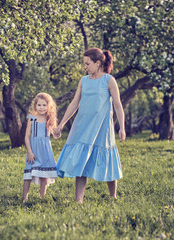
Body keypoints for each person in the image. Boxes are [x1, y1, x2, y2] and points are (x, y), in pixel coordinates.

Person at [53, 48, 126, 203]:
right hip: (83, 126)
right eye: (84, 64)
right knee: (81, 161)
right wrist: (61, 124)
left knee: (107, 159)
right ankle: (78, 200)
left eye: (87, 63)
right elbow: (74, 104)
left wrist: (122, 127)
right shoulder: (83, 81)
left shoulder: (109, 80)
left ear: (98, 63)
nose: (85, 67)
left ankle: (113, 197)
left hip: (102, 127)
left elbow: (118, 105)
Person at [23, 92, 59, 203]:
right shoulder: (32, 119)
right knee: (28, 175)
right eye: (39, 105)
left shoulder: (50, 119)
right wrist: (30, 152)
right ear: (35, 106)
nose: (41, 107)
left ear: (48, 106)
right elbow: (26, 137)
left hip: (45, 151)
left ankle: (42, 197)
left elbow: (55, 134)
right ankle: (25, 198)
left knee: (44, 175)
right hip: (33, 151)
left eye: (44, 105)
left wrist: (58, 132)